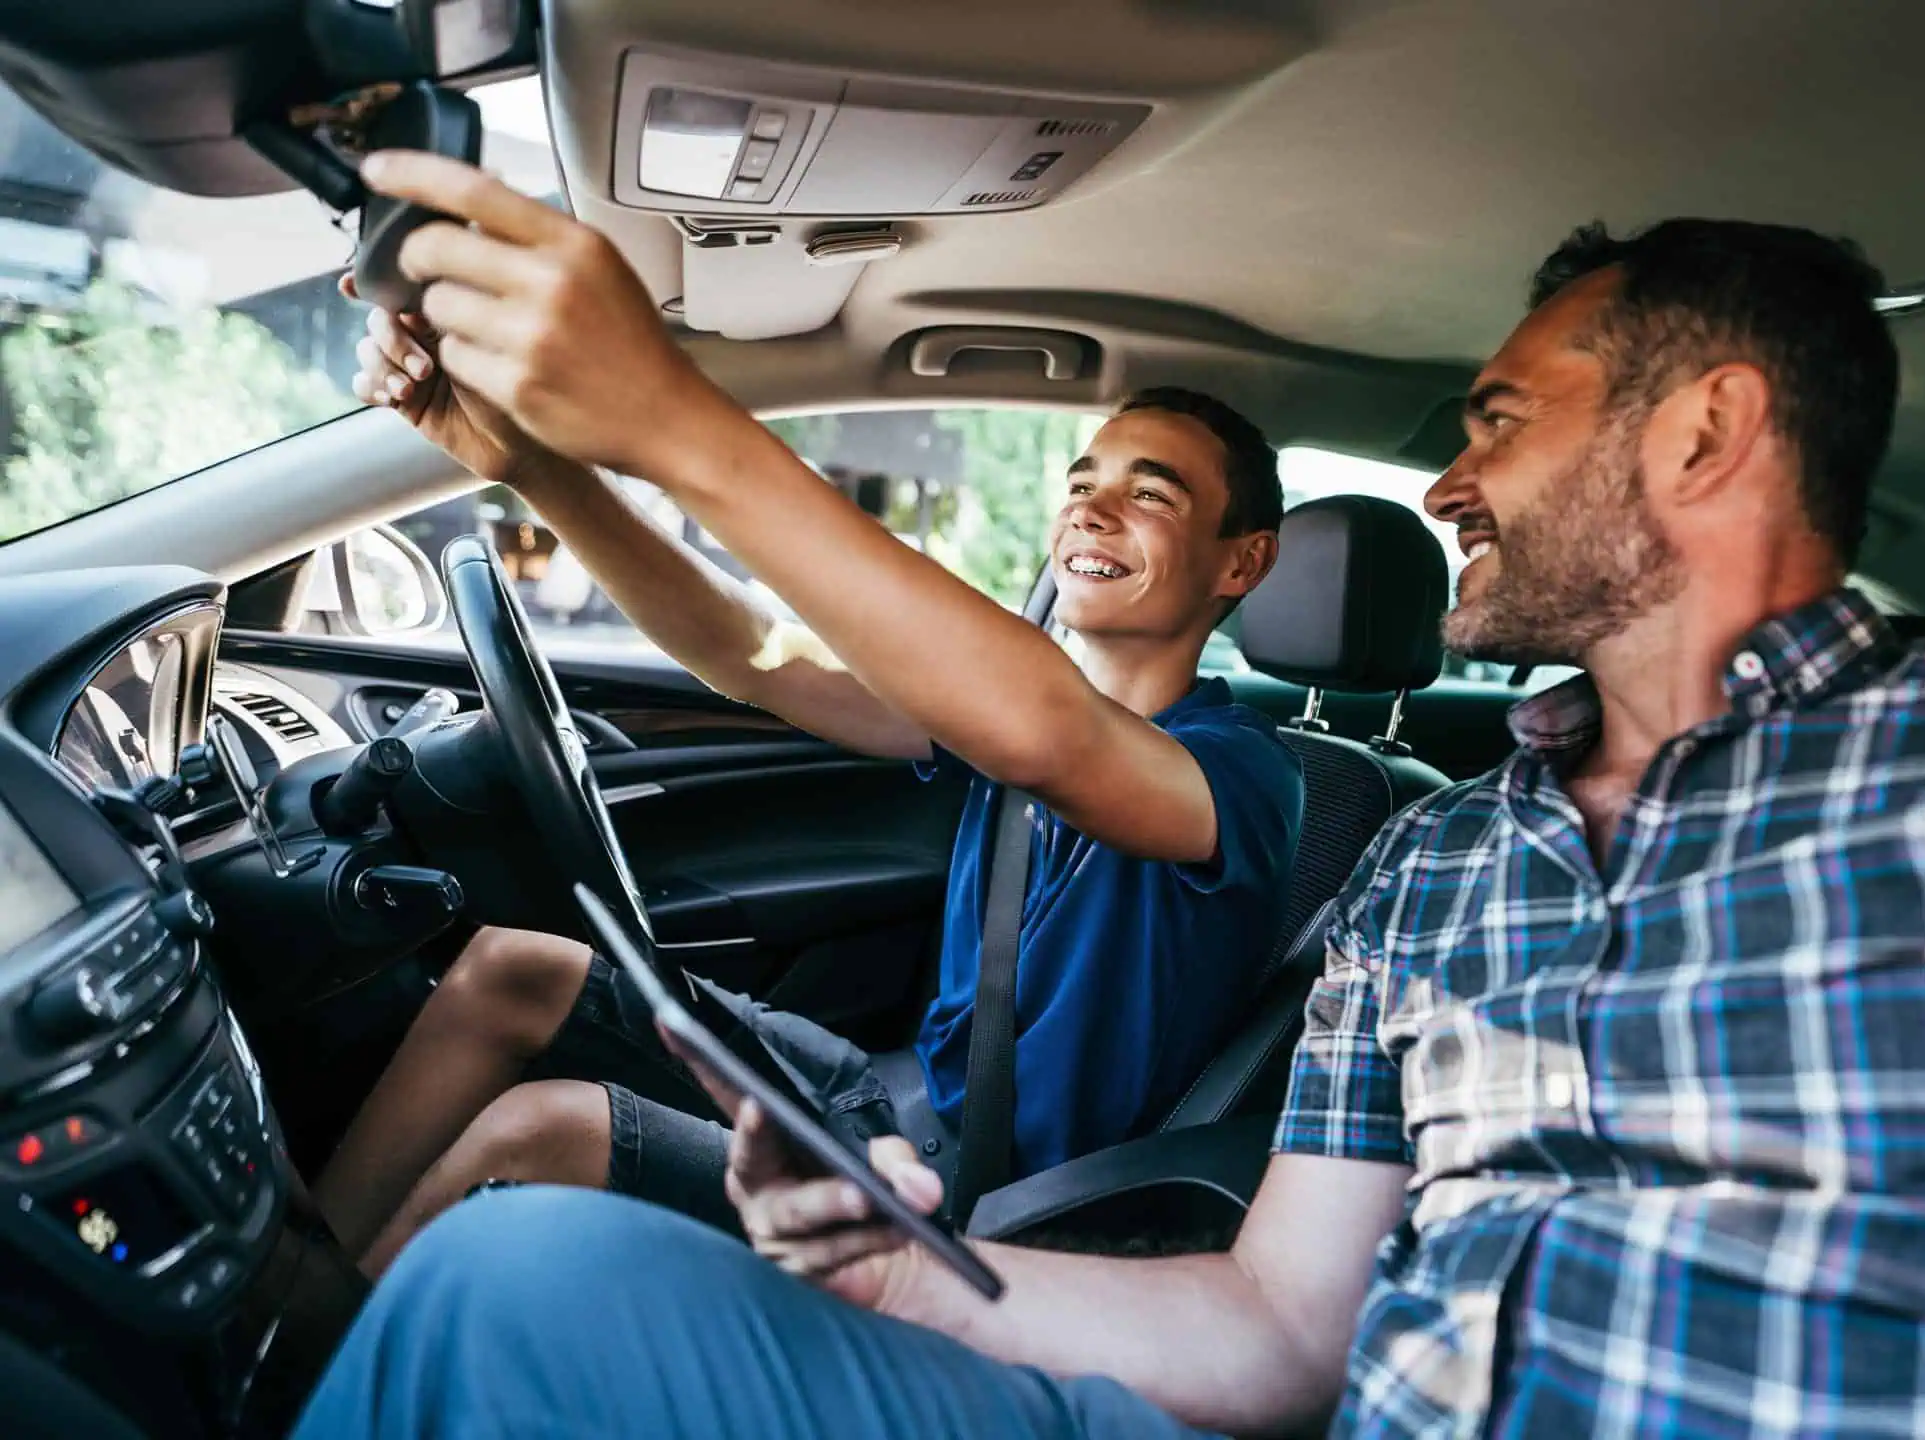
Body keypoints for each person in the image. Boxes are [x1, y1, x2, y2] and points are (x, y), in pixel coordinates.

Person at [296, 180, 1925, 1438]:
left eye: (1500, 418)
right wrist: (892, 1274)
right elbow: (1280, 1329)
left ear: (1699, 435)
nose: (1446, 484)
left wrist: (673, 416)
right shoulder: (1448, 865)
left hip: (1050, 1175)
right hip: (975, 1194)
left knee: (533, 1157)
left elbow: (1048, 734)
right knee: (516, 1278)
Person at [308, 154, 1304, 1276]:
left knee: (549, 1135)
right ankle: (282, 1299)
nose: (1093, 505)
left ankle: (301, 1382)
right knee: (510, 967)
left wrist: (669, 417)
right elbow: (752, 653)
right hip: (899, 1098)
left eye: (1151, 493)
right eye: (1083, 479)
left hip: (1001, 1199)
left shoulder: (1245, 777)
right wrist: (536, 468)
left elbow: (1057, 736)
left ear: (1242, 562)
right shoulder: (993, 716)